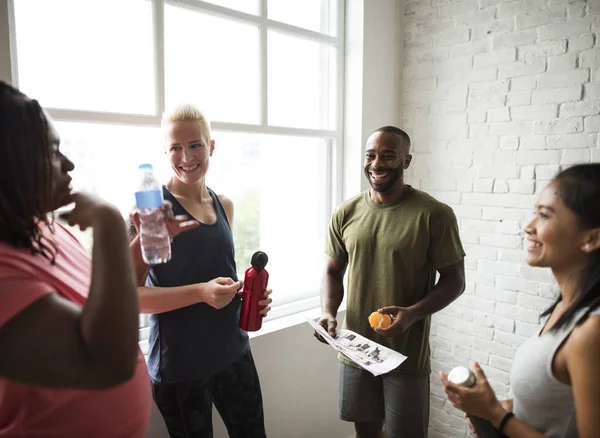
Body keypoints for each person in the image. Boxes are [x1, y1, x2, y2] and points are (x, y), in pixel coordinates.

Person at [0, 81, 151, 436]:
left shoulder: (49, 227)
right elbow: (108, 362)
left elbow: (108, 304)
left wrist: (144, 242)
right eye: (51, 152)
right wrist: (110, 224)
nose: (68, 164)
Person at [128, 104, 272, 438]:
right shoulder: (150, 213)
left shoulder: (224, 204)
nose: (186, 157)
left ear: (211, 146)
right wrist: (200, 293)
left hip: (233, 352)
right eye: (175, 148)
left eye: (195, 145)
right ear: (165, 152)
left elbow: (221, 272)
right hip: (181, 368)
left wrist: (247, 297)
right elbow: (131, 297)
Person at [315, 125, 466, 438]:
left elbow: (454, 281)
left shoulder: (434, 215)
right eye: (371, 155)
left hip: (405, 355)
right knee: (366, 432)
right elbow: (332, 271)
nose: (377, 163)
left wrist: (411, 314)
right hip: (356, 350)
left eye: (388, 155)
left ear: (406, 161)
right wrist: (328, 312)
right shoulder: (346, 212)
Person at [441, 163, 600, 438]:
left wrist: (497, 416)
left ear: (592, 237)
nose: (529, 227)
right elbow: (557, 409)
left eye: (544, 215)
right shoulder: (566, 307)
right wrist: (501, 410)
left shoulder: (590, 333)